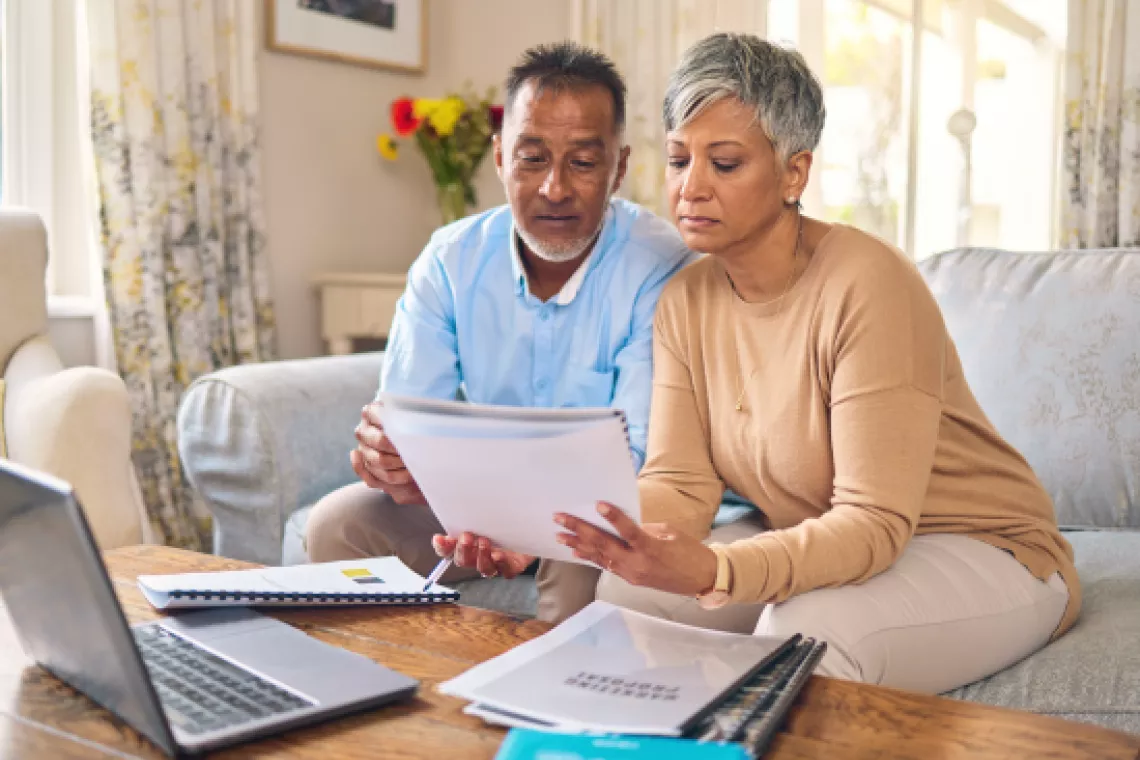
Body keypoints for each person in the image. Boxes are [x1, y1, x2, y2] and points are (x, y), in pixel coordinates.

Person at [450, 33, 1080, 695]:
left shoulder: (869, 284)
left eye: (723, 163)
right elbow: (681, 488)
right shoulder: (686, 301)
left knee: (805, 632)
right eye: (678, 159)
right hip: (813, 528)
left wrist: (718, 572)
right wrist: (545, 530)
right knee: (623, 599)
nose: (690, 187)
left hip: (981, 543)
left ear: (793, 174)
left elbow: (874, 524)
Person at [304, 41, 695, 624]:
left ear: (619, 167)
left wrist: (527, 522)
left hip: (595, 510)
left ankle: (544, 714)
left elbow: (637, 459)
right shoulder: (451, 258)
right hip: (477, 506)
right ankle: (386, 699)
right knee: (338, 525)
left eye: (583, 163)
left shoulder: (662, 265)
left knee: (585, 545)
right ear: (499, 158)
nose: (554, 188)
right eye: (532, 158)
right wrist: (392, 456)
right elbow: (414, 415)